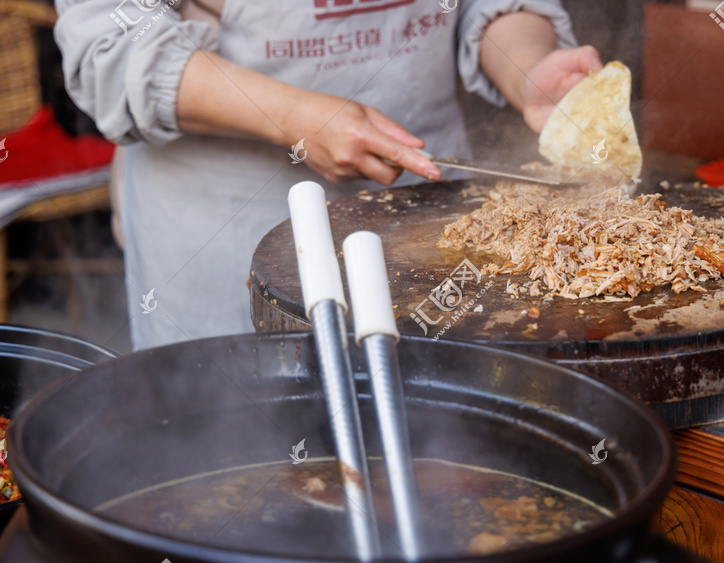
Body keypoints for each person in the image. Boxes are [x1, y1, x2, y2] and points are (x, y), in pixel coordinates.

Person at [54, 0, 601, 350]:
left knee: (443, 460)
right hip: (226, 228)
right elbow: (111, 38)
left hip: (432, 228)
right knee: (246, 479)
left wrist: (528, 65)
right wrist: (290, 118)